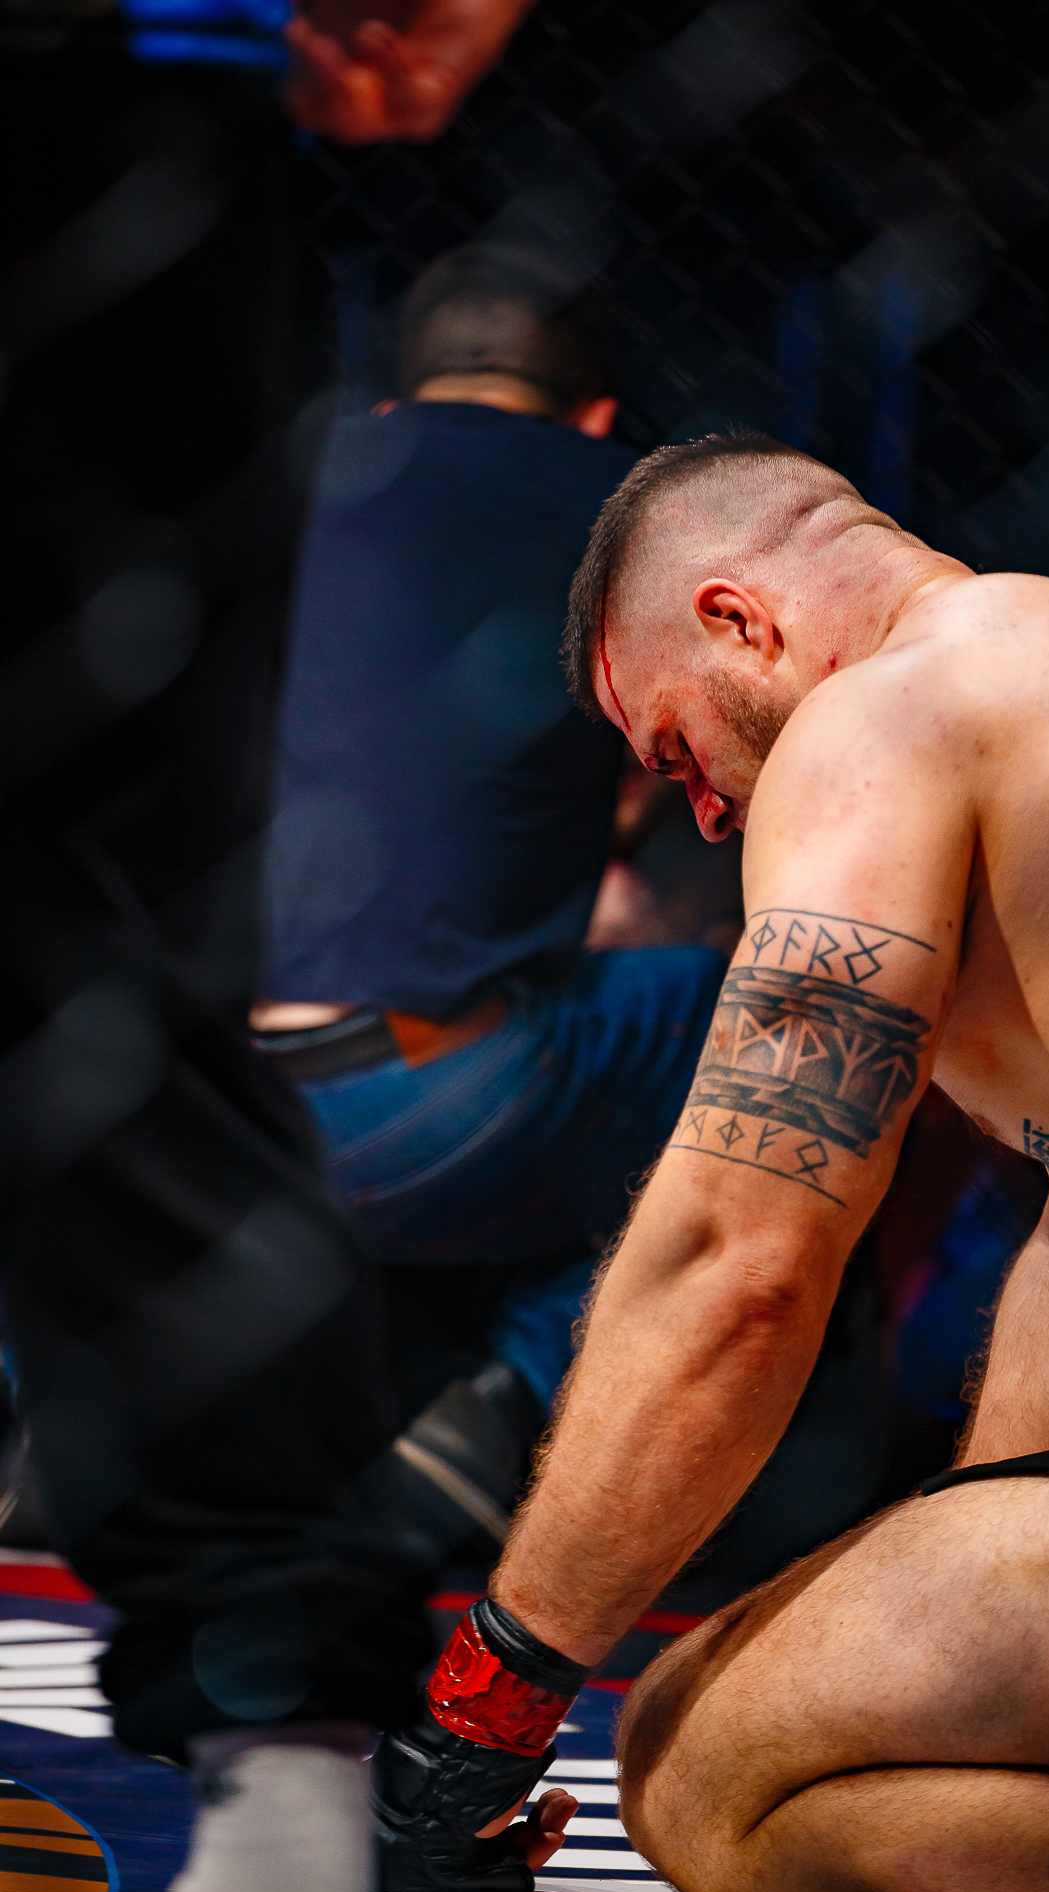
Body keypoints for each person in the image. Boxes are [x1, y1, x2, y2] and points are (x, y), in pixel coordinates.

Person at [374, 432, 1049, 1892]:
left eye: (677, 751)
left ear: (740, 620)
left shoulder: (882, 722)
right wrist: (968, 1541)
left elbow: (740, 1259)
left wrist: (490, 1703)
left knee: (696, 1768)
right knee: (884, 1706)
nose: (705, 812)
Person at [0, 7, 570, 1892]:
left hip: (119, 94)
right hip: (360, 1078)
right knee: (718, 1019)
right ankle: (432, 1490)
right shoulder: (610, 506)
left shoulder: (377, 459)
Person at [251, 244, 727, 1533]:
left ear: (395, 403)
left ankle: (45, 1408)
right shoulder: (633, 515)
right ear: (594, 416)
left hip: (204, 1098)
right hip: (427, 1096)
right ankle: (511, 1398)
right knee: (798, 1010)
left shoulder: (290, 473)